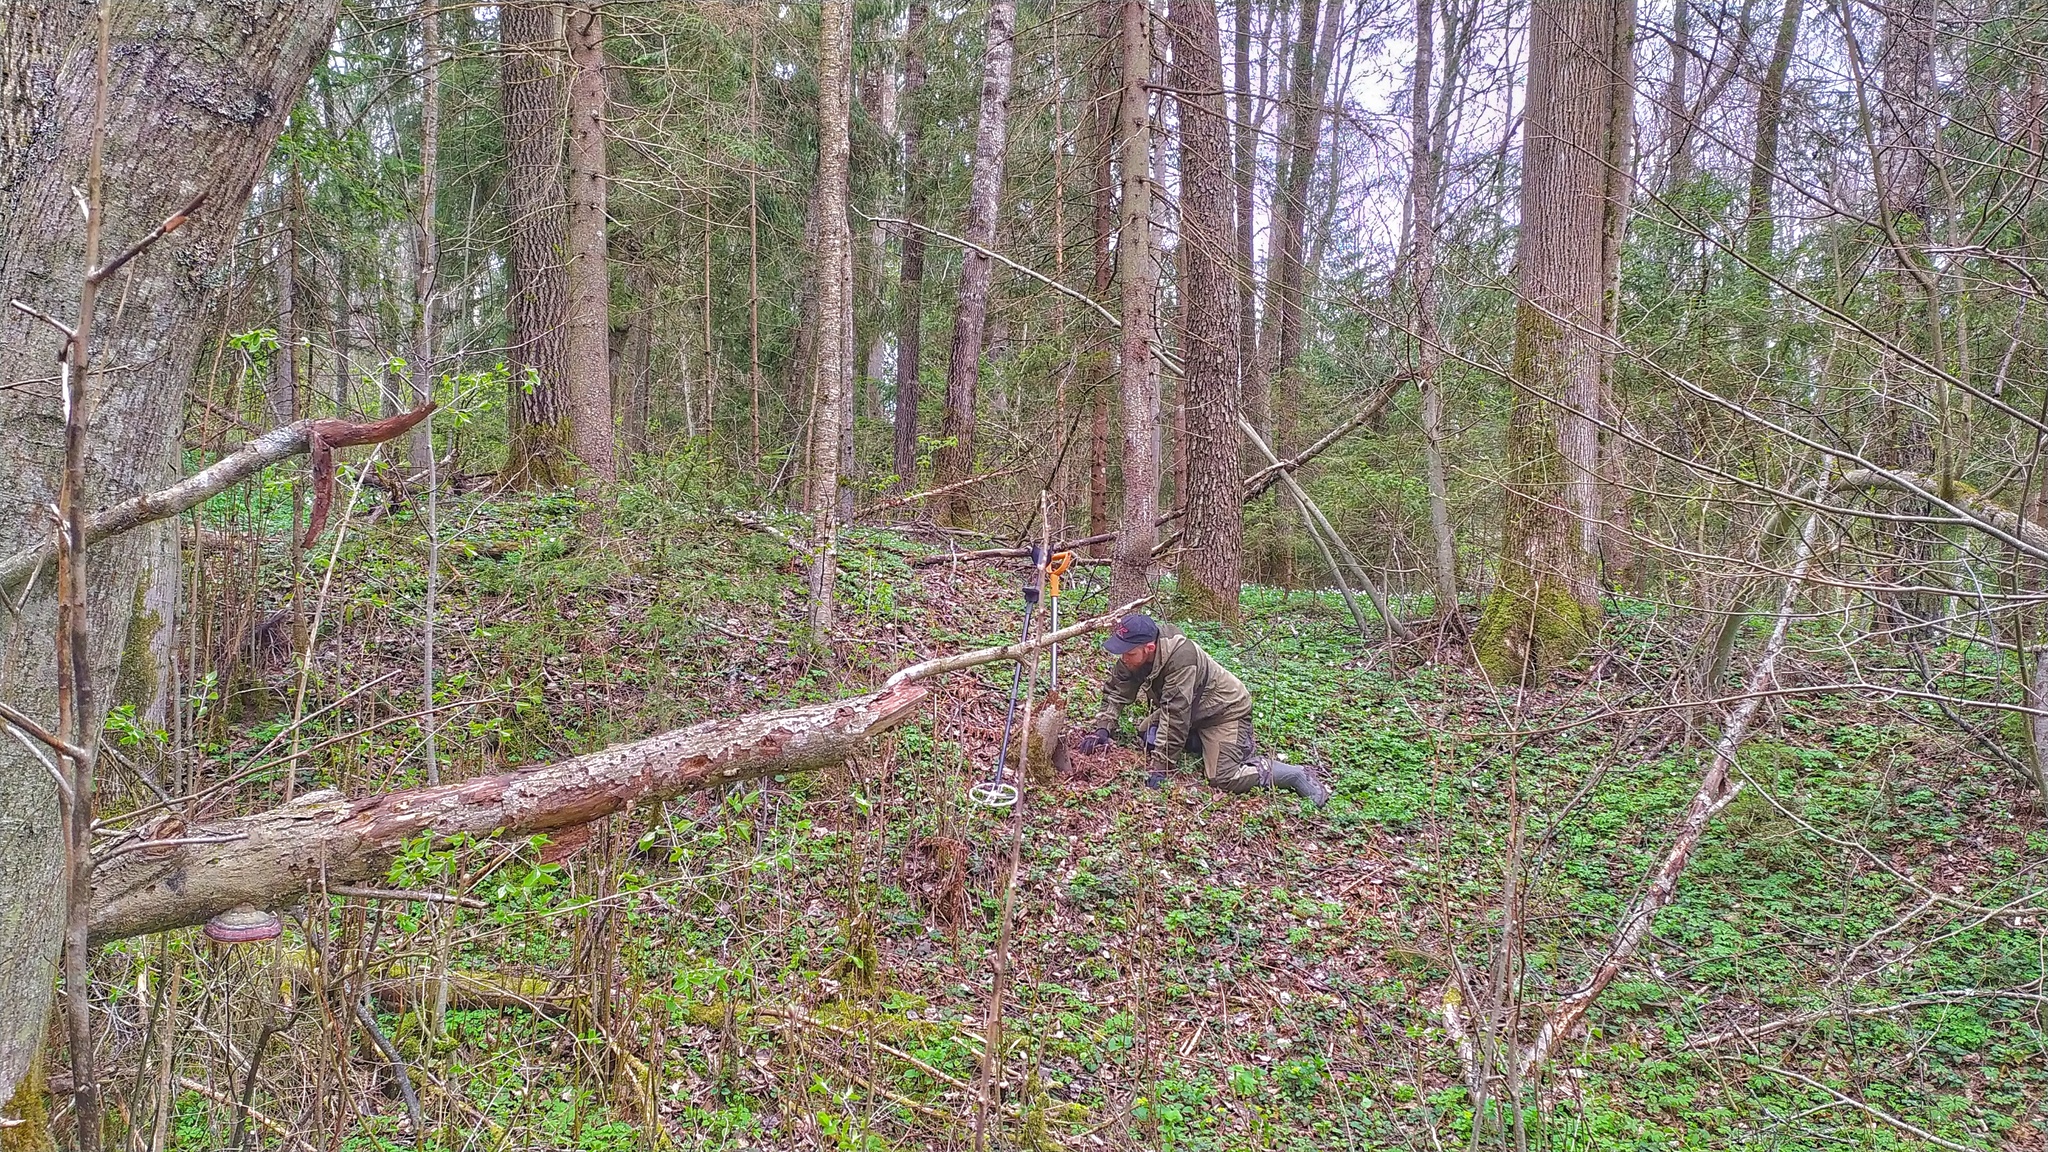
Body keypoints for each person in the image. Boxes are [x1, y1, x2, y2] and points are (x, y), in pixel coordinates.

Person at [1075, 613, 1330, 807]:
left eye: (1128, 653)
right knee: (1147, 734)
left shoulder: (1180, 658)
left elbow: (1175, 715)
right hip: (1193, 711)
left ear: (1148, 648)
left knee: (1224, 777)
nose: (1124, 659)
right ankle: (1201, 743)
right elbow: (1116, 691)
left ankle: (1294, 775)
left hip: (1224, 712)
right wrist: (1102, 729)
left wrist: (1161, 769)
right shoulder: (1134, 655)